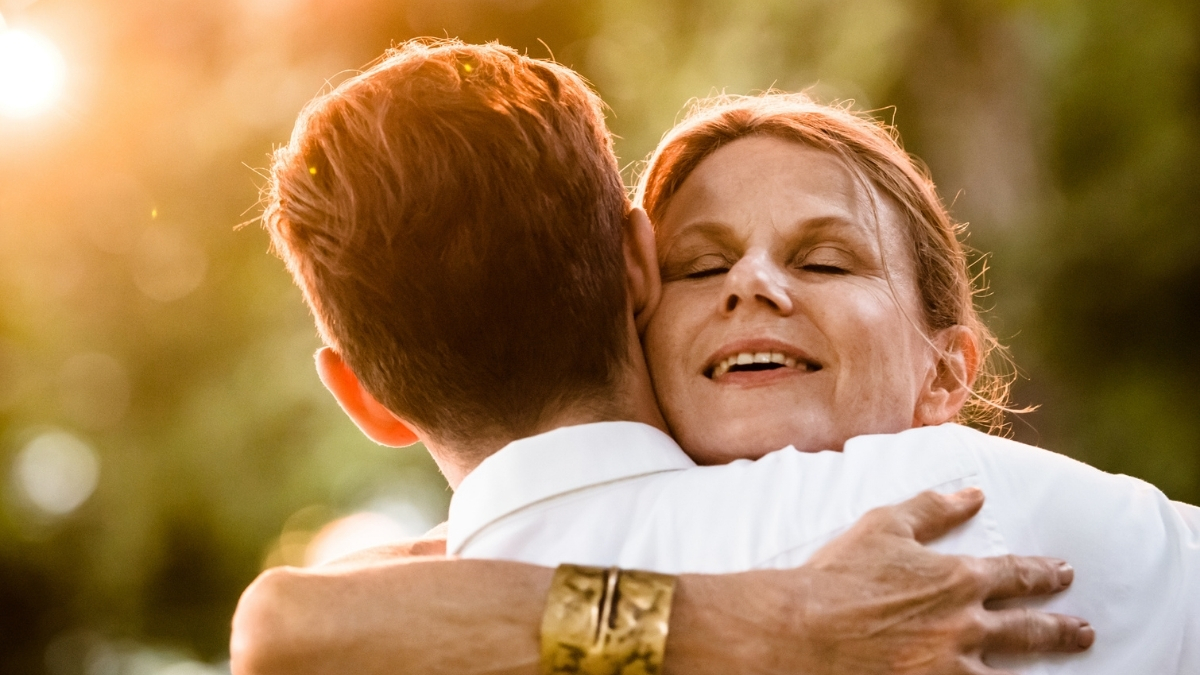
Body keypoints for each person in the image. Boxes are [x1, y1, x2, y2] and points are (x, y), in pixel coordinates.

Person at [231, 40, 1101, 675]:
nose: (753, 286)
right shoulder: (952, 526)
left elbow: (282, 623)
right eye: (705, 263)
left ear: (362, 397)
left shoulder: (390, 633)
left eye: (825, 260)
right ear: (639, 269)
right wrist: (778, 619)